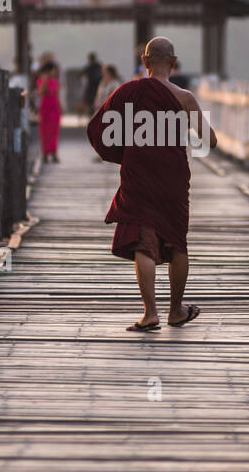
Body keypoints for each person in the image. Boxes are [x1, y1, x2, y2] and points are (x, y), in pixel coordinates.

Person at [87, 36, 216, 332]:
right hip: (173, 178)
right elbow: (210, 140)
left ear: (145, 62)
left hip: (139, 173)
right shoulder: (185, 98)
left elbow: (97, 129)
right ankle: (176, 311)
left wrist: (124, 153)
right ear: (173, 63)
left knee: (144, 241)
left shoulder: (127, 91)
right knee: (176, 239)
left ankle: (150, 313)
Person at [37, 60, 61, 163]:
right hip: (45, 108)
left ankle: (54, 153)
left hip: (54, 108)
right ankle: (45, 154)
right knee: (44, 132)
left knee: (54, 131)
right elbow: (42, 91)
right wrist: (45, 80)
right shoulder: (41, 81)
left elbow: (57, 94)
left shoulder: (55, 81)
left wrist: (60, 107)